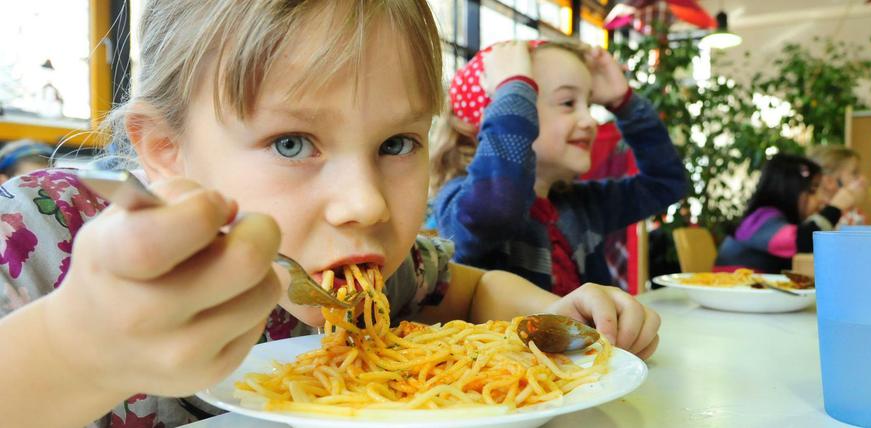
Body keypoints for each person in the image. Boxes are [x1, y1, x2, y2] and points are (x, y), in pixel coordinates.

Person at [0, 2, 660, 427]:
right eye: (292, 143)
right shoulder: (39, 235)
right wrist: (71, 349)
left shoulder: (371, 271)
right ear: (167, 151)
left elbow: (474, 287)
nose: (367, 203)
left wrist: (551, 314)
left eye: (396, 144)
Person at [430, 41, 687, 296]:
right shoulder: (462, 203)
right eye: (567, 103)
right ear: (497, 114)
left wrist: (623, 102)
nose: (590, 120)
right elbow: (497, 209)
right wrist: (515, 90)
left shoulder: (584, 205)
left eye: (590, 104)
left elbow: (665, 183)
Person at [715, 153, 865, 273]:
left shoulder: (778, 221)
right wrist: (835, 207)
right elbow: (802, 241)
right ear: (789, 192)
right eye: (812, 191)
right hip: (735, 291)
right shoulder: (760, 219)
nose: (819, 199)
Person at [808, 145, 866, 226]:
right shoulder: (816, 218)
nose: (862, 179)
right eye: (854, 173)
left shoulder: (852, 213)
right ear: (829, 182)